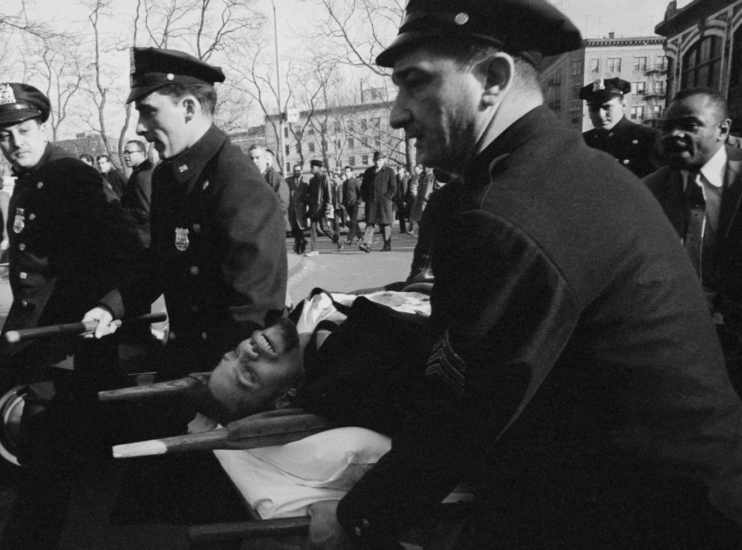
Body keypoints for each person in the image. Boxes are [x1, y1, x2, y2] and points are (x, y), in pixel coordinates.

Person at [296, 1, 742, 548]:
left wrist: (356, 518)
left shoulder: (507, 210)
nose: (397, 114)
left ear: (493, 79)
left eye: (415, 84)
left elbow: (465, 408)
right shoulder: (562, 170)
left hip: (650, 516)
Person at [0, 82, 144, 550]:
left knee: (46, 466)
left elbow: (127, 251)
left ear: (41, 126)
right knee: (63, 467)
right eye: (4, 135)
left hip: (69, 345)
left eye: (24, 131)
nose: (15, 143)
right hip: (44, 345)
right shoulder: (30, 180)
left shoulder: (70, 175)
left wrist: (95, 310)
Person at [84, 46, 287, 380]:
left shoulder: (239, 185)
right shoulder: (169, 176)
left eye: (149, 112)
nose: (139, 127)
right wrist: (111, 307)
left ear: (189, 108)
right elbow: (160, 262)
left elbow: (252, 315)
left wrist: (220, 398)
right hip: (185, 363)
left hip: (224, 374)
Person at [644, 88, 742, 395]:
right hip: (680, 341)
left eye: (690, 125)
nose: (674, 134)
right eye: (667, 126)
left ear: (722, 130)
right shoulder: (650, 190)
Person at [580, 77, 664, 178]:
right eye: (593, 109)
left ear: (623, 105)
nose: (600, 115)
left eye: (606, 107)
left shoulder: (649, 138)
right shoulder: (583, 142)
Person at [359, 152, 396, 252]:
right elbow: (363, 187)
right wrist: (366, 197)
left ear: (383, 160)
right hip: (371, 201)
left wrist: (387, 197)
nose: (378, 162)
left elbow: (393, 188)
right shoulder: (368, 171)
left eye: (380, 160)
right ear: (373, 161)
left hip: (384, 202)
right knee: (370, 223)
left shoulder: (389, 171)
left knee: (385, 223)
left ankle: (387, 245)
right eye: (376, 160)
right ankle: (367, 244)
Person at [249, 144, 290, 233]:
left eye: (257, 157)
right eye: (251, 158)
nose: (254, 161)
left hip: (272, 226)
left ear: (265, 158)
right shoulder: (251, 177)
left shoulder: (275, 178)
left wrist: (267, 220)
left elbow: (282, 203)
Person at [121, 139, 154, 247]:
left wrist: (121, 212)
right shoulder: (139, 172)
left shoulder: (142, 176)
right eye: (124, 153)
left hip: (144, 235)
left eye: (129, 152)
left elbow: (145, 211)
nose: (125, 156)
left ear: (141, 153)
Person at [306, 158, 337, 255]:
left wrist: (327, 208)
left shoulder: (325, 178)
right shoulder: (311, 180)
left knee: (324, 227)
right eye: (311, 166)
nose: (311, 168)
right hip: (313, 209)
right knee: (313, 229)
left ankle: (338, 240)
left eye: (312, 167)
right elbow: (310, 195)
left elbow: (329, 195)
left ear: (319, 168)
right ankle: (314, 250)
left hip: (321, 208)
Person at [287, 164, 309, 254]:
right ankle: (301, 242)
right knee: (294, 229)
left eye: (298, 170)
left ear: (302, 171)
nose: (296, 172)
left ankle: (298, 245)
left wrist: (305, 205)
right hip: (291, 209)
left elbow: (307, 196)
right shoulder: (288, 181)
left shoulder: (305, 183)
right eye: (295, 170)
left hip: (301, 210)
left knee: (300, 229)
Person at [340, 166, 363, 245]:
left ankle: (349, 239)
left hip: (354, 204)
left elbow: (361, 193)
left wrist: (358, 202)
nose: (346, 173)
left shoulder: (356, 181)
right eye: (345, 172)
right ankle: (360, 237)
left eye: (348, 171)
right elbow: (344, 194)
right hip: (348, 205)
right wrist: (343, 203)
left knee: (353, 221)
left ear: (351, 172)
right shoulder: (345, 183)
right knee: (354, 222)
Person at [405, 164, 422, 236]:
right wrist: (415, 196)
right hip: (417, 198)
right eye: (415, 169)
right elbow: (413, 187)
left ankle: (412, 229)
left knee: (416, 214)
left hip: (417, 197)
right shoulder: (417, 176)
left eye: (416, 169)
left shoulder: (417, 176)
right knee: (415, 214)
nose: (415, 171)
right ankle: (412, 229)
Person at [394, 165, 410, 233]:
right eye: (398, 170)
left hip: (406, 198)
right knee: (401, 214)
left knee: (409, 214)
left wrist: (406, 200)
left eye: (400, 169)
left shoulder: (407, 177)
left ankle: (411, 229)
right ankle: (402, 229)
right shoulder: (396, 177)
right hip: (399, 199)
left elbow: (408, 189)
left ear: (403, 170)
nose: (399, 171)